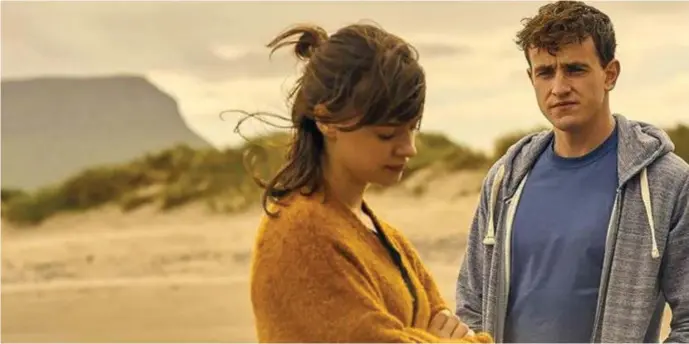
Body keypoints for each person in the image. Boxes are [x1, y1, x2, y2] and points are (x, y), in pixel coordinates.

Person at [240, 22, 494, 343]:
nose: (409, 148)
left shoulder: (382, 235)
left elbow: (443, 321)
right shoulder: (300, 232)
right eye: (387, 134)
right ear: (327, 120)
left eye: (411, 129)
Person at [455, 1, 689, 343]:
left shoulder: (665, 181)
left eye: (575, 69)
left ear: (610, 74)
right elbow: (471, 304)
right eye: (545, 72)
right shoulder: (506, 178)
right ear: (531, 78)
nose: (559, 87)